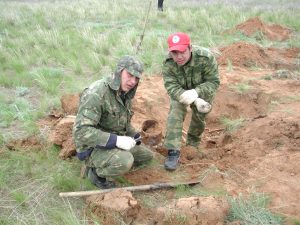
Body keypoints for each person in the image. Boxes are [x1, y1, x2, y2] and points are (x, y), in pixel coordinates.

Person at [73, 55, 153, 189]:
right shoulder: (97, 93)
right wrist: (117, 141)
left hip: (112, 138)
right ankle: (95, 173)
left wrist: (134, 135)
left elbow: (123, 122)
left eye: (137, 78)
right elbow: (81, 131)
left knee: (146, 156)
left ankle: (113, 160)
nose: (133, 81)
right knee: (126, 161)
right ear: (119, 71)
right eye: (130, 75)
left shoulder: (124, 93)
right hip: (92, 146)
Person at [162, 32, 220, 171]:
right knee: (175, 111)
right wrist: (183, 96)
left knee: (199, 115)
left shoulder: (205, 58)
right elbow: (171, 86)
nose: (179, 56)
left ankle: (192, 144)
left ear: (190, 48)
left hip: (202, 92)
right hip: (181, 92)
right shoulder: (169, 63)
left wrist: (196, 93)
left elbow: (213, 82)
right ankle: (173, 151)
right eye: (174, 53)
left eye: (182, 51)